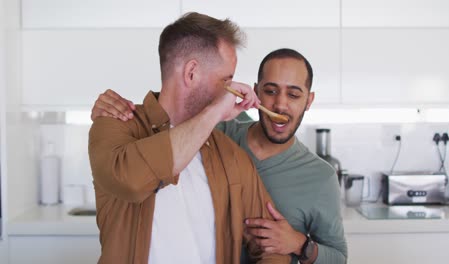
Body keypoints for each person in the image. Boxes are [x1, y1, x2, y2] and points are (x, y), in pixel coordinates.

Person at [92, 48, 347, 263]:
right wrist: (110, 111)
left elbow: (338, 256)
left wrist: (301, 245)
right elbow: (171, 115)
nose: (280, 105)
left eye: (293, 94)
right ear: (256, 92)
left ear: (309, 100)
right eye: (270, 91)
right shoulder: (217, 132)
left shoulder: (321, 177)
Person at [88, 12, 291, 264]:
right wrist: (215, 111)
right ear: (191, 73)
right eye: (226, 80)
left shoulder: (231, 155)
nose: (232, 89)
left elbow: (273, 248)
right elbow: (130, 180)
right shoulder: (114, 125)